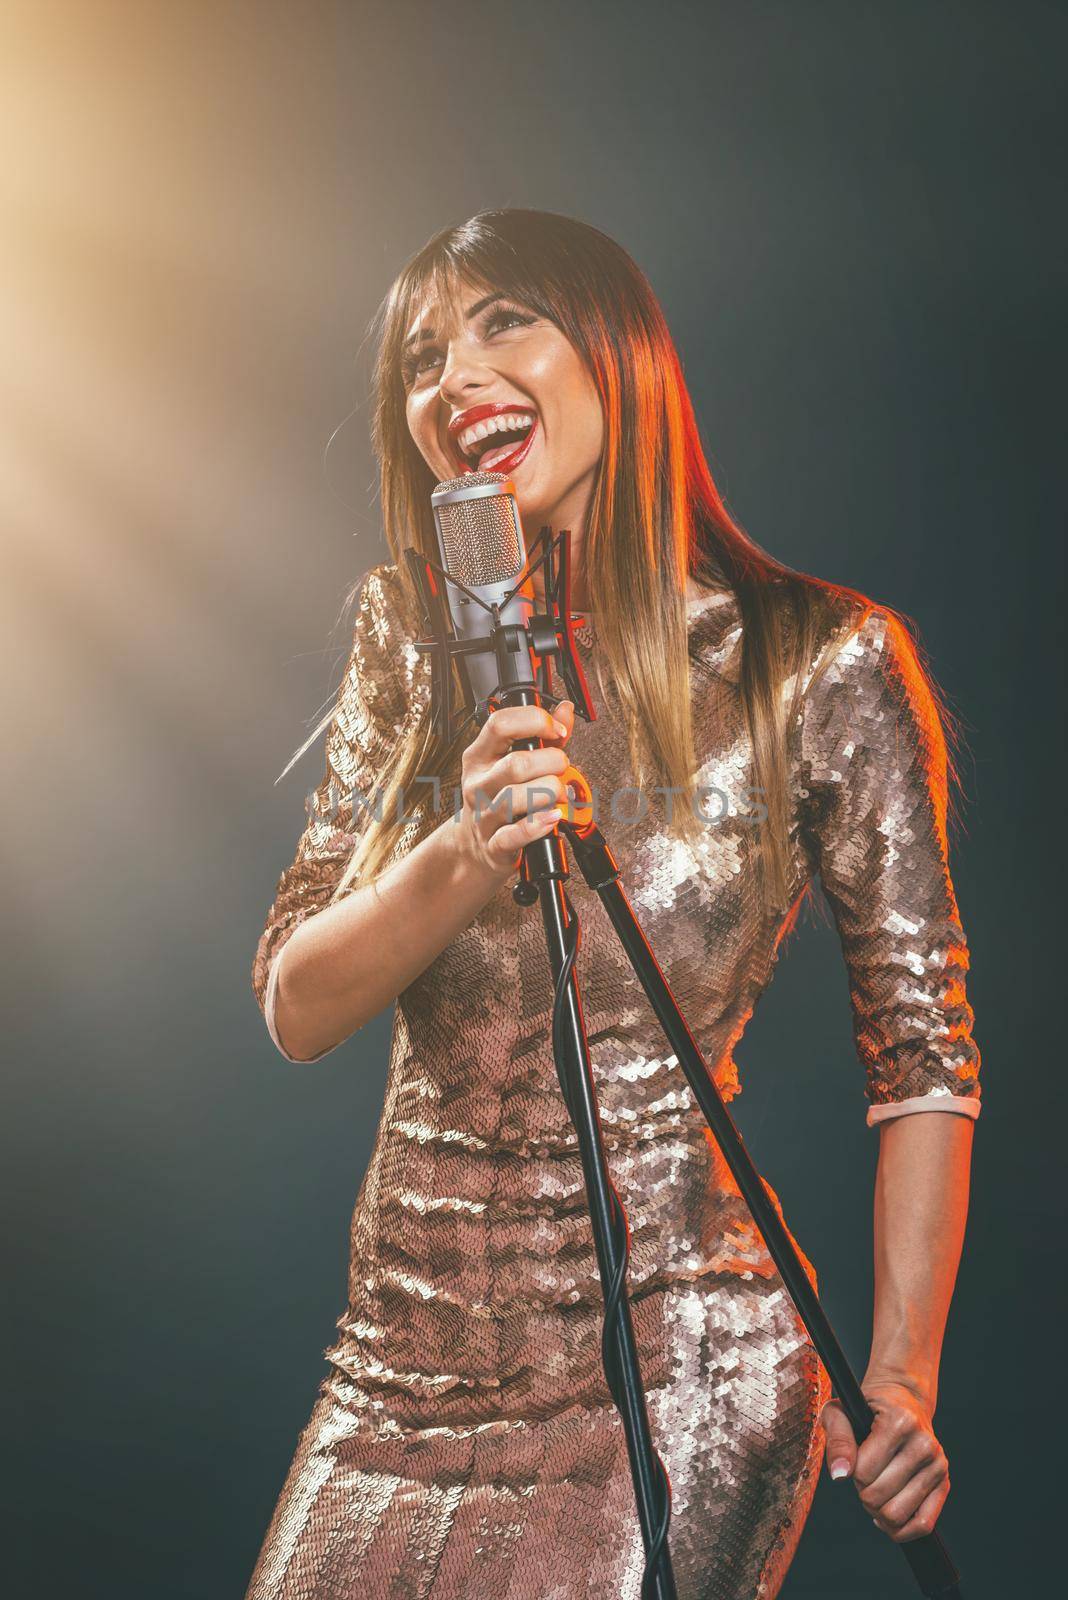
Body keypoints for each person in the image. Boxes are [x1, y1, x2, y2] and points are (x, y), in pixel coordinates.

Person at [245, 209, 981, 1600]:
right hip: (398, 1373)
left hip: (671, 1349)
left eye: (501, 320)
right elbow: (297, 1000)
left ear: (620, 352)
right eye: (421, 357)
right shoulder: (411, 637)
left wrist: (897, 1379)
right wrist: (464, 848)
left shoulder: (814, 662)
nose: (454, 379)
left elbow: (924, 1048)